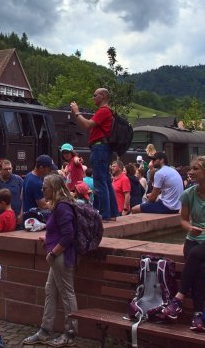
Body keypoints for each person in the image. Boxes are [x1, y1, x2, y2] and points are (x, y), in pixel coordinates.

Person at [23, 174, 78, 347]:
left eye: (44, 187)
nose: (42, 190)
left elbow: (68, 235)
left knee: (67, 294)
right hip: (56, 256)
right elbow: (60, 232)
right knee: (50, 291)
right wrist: (49, 241)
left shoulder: (62, 207)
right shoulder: (58, 206)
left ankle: (70, 334)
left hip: (61, 257)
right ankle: (45, 330)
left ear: (53, 189)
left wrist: (53, 253)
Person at [161, 156, 205, 332]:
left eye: (196, 169)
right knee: (201, 267)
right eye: (191, 168)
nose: (191, 172)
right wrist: (190, 227)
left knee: (195, 255)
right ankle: (197, 315)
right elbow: (183, 220)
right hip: (193, 239)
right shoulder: (188, 193)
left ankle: (178, 299)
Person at [70, 88, 118, 220]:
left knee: (100, 182)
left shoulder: (104, 111)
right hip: (104, 148)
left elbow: (87, 125)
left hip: (99, 148)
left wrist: (77, 112)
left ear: (103, 96)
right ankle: (112, 213)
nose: (93, 97)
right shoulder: (108, 111)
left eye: (95, 95)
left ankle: (103, 214)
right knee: (106, 181)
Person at [0, 160, 23, 225]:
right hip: (0, 218)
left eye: (10, 169)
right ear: (0, 169)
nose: (8, 171)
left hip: (17, 217)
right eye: (5, 169)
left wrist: (21, 214)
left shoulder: (18, 180)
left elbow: (24, 198)